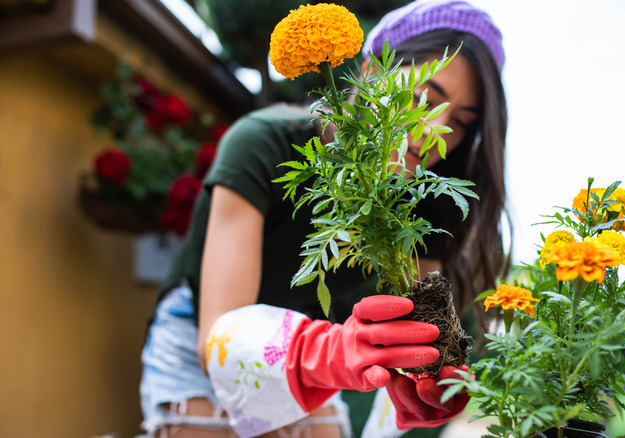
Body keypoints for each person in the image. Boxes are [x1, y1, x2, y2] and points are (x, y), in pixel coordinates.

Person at [139, 1, 510, 437]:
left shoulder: (429, 197)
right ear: (372, 74)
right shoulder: (263, 143)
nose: (437, 131)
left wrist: (427, 371)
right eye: (424, 100)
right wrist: (336, 353)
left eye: (462, 122)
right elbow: (219, 338)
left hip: (313, 345)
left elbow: (418, 317)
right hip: (204, 335)